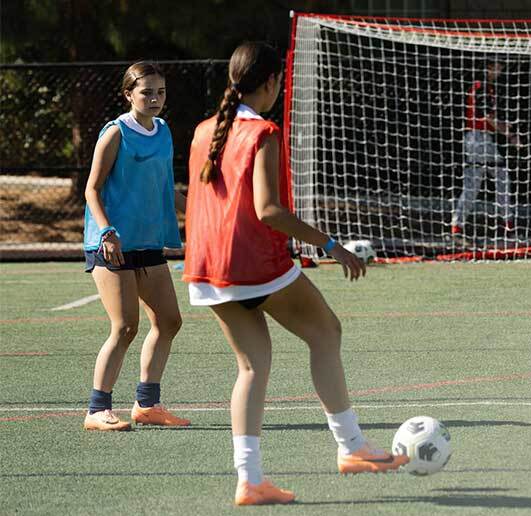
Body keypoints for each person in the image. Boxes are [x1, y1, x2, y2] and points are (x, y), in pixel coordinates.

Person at [184, 42, 408, 506]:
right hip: (253, 263)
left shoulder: (204, 130)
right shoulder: (264, 132)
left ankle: (250, 480)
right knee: (326, 332)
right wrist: (330, 245)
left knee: (252, 367)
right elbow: (268, 209)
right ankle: (352, 447)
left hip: (207, 267)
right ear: (271, 81)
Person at [81, 62, 190, 432]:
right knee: (125, 326)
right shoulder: (116, 132)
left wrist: (203, 216)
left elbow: (166, 187)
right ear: (128, 94)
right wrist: (107, 232)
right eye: (147, 92)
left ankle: (147, 404)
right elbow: (92, 189)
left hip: (148, 241)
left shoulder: (163, 130)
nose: (155, 98)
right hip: (111, 243)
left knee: (169, 321)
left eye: (161, 92)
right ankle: (97, 410)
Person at [450, 60, 520, 237]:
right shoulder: (481, 87)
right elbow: (487, 116)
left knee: (476, 184)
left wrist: (504, 125)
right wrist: (510, 135)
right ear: (489, 67)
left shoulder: (486, 88)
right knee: (500, 177)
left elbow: (488, 116)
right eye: (498, 66)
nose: (501, 70)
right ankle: (508, 224)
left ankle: (457, 226)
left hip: (479, 138)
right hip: (478, 139)